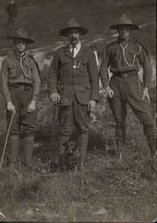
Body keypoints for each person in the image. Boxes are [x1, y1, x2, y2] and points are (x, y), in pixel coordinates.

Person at [99, 14, 156, 170]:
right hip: (115, 84)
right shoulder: (111, 47)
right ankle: (120, 153)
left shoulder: (137, 46)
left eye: (127, 29)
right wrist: (106, 86)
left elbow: (148, 66)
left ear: (131, 30)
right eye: (121, 29)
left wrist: (145, 87)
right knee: (119, 120)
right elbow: (103, 67)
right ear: (117, 30)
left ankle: (154, 153)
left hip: (133, 83)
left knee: (147, 119)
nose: (124, 31)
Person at [48, 19, 99, 170]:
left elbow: (94, 77)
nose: (73, 35)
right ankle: (63, 163)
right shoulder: (59, 53)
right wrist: (53, 92)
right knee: (64, 130)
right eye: (70, 32)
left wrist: (94, 98)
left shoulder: (89, 53)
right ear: (67, 35)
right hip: (64, 97)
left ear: (80, 34)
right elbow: (52, 74)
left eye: (76, 32)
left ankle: (80, 163)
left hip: (83, 97)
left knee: (83, 129)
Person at [0, 28, 41, 168]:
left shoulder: (31, 61)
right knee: (14, 129)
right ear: (14, 44)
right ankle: (12, 162)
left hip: (28, 95)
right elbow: (3, 82)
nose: (20, 45)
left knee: (29, 129)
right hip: (13, 95)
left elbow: (37, 81)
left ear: (26, 44)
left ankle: (27, 162)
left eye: (22, 42)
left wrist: (34, 101)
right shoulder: (7, 61)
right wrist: (8, 102)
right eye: (17, 42)